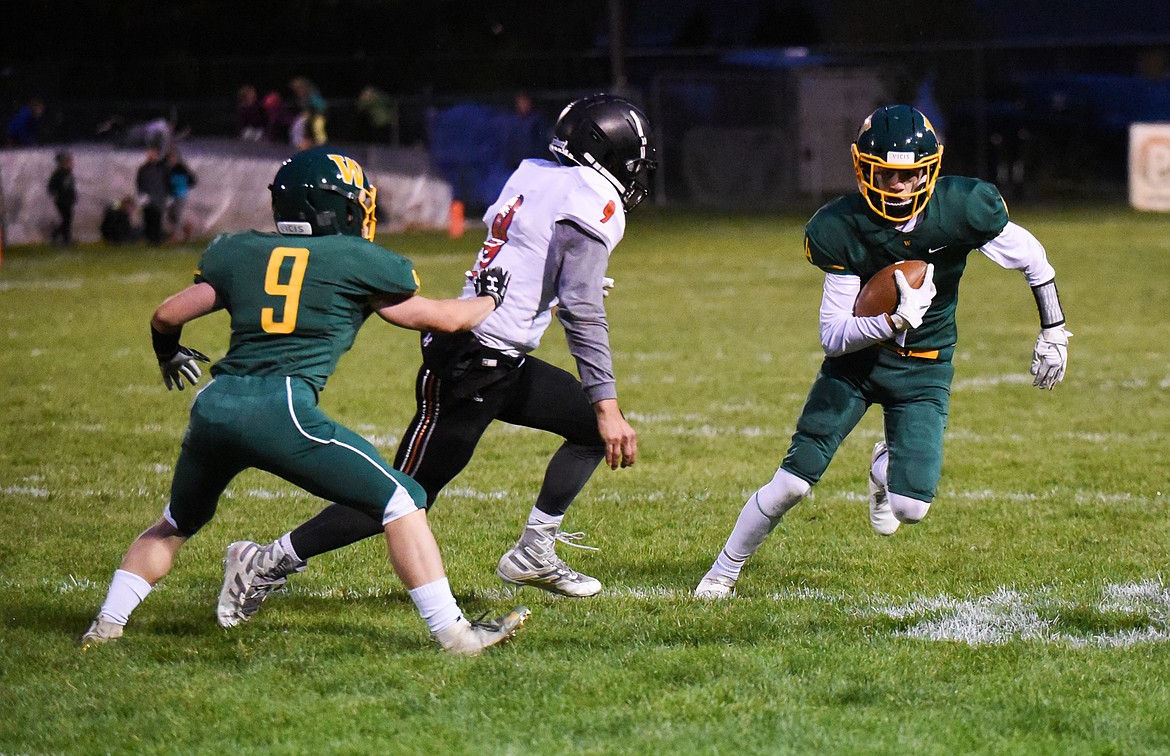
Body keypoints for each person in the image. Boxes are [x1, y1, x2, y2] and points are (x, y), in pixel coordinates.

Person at [215, 94, 657, 628]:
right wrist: (608, 400)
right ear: (603, 151)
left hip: (498, 356)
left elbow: (525, 254)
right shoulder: (589, 200)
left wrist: (558, 288)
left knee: (585, 427)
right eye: (630, 158)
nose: (632, 171)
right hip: (470, 363)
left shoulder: (537, 174)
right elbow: (584, 310)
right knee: (400, 496)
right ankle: (264, 561)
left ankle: (533, 551)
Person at [81, 146, 527, 656]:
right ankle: (455, 634)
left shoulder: (239, 252)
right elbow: (444, 319)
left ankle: (106, 626)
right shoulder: (358, 261)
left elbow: (167, 314)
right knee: (403, 500)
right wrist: (490, 297)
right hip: (282, 408)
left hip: (215, 406)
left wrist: (168, 355)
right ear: (336, 208)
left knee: (176, 523)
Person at [695, 104, 1071, 599]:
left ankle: (882, 467)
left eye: (911, 174)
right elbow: (833, 336)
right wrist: (891, 320)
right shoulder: (840, 226)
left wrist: (1054, 329)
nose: (899, 186)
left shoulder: (963, 206)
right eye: (887, 174)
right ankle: (724, 569)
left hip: (924, 369)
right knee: (792, 484)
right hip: (854, 368)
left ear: (930, 169)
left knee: (911, 509)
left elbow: (1033, 258)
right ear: (862, 168)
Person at [136, 145, 170, 246]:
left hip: (159, 197)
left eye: (153, 154)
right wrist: (142, 194)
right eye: (149, 153)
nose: (151, 156)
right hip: (147, 197)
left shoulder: (162, 168)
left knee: (157, 219)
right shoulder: (143, 168)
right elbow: (139, 182)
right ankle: (150, 240)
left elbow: (167, 181)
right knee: (148, 219)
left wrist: (168, 194)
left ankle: (156, 240)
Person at [165, 148, 198, 242]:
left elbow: (193, 180)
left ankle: (175, 236)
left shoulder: (182, 168)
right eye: (170, 158)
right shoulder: (167, 169)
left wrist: (183, 186)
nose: (171, 160)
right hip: (171, 195)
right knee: (170, 215)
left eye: (173, 158)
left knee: (177, 214)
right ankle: (187, 228)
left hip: (181, 195)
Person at [46, 151, 77, 247]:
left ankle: (65, 238)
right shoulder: (58, 174)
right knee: (67, 219)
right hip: (62, 200)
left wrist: (74, 196)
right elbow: (51, 187)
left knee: (68, 219)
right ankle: (61, 236)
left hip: (68, 200)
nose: (71, 162)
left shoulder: (69, 173)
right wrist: (55, 194)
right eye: (68, 161)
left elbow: (71, 187)